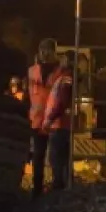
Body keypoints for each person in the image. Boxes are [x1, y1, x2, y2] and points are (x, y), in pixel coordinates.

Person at [25, 40, 66, 198]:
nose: (45, 53)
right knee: (38, 156)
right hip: (37, 121)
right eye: (42, 50)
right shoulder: (31, 71)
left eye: (48, 50)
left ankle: (58, 187)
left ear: (54, 52)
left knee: (56, 156)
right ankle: (37, 190)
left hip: (55, 121)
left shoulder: (62, 72)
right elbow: (28, 96)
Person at [40, 51, 76, 194]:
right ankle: (64, 185)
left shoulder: (66, 77)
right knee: (62, 157)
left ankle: (58, 186)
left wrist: (49, 119)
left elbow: (60, 101)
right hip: (61, 123)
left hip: (59, 123)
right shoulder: (62, 76)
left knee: (56, 157)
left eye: (64, 58)